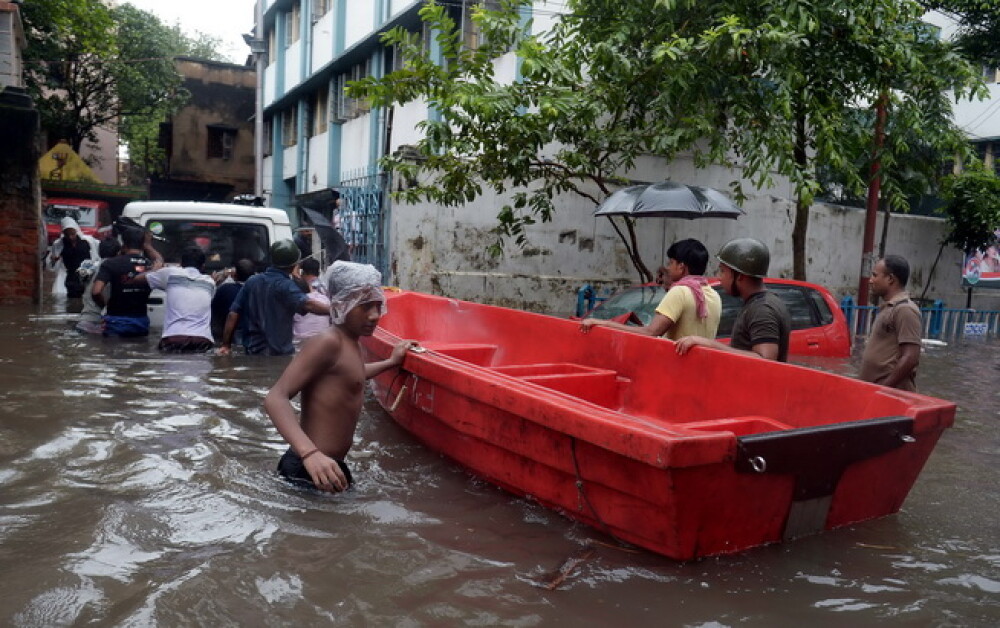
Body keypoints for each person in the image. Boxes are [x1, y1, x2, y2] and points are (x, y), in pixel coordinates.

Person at [264, 261, 416, 492]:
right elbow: (276, 397)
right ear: (342, 304)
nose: (375, 315)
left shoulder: (352, 342)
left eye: (378, 305)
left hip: (329, 466)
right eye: (365, 306)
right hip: (310, 468)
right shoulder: (328, 342)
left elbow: (351, 376)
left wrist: (391, 363)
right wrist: (310, 453)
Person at [580, 238, 721, 340]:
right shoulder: (714, 295)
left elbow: (651, 332)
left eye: (671, 262)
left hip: (675, 370)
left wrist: (604, 323)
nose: (668, 267)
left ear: (681, 266)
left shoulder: (681, 291)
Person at [676, 237, 791, 361]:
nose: (719, 278)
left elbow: (765, 360)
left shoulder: (762, 310)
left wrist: (709, 344)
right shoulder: (761, 303)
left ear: (740, 276)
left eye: (723, 271)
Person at [219, 239, 330, 356]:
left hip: (252, 352)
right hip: (279, 354)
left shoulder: (251, 282)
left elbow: (233, 314)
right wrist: (334, 310)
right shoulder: (287, 286)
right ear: (294, 264)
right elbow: (308, 304)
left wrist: (226, 345)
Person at [859, 255, 922, 391]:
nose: (870, 280)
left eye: (875, 275)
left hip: (890, 396)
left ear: (890, 279)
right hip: (875, 393)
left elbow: (910, 357)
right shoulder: (889, 307)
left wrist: (884, 388)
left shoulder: (905, 309)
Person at [137, 246, 217, 352]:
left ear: (181, 264)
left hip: (173, 338)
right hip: (202, 340)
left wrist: (155, 270)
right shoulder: (210, 283)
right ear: (203, 266)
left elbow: (137, 279)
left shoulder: (170, 273)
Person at [92, 226, 164, 337]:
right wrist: (148, 246)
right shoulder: (150, 266)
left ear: (123, 242)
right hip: (140, 323)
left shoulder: (110, 264)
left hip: (114, 322)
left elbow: (96, 292)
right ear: (142, 244)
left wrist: (105, 307)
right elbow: (159, 261)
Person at [76, 238, 121, 334]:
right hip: (99, 323)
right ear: (118, 253)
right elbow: (96, 293)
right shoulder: (115, 270)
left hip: (84, 321)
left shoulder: (89, 267)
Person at [49, 217, 99, 298]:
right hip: (69, 276)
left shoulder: (88, 241)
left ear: (76, 231)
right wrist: (54, 260)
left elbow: (98, 255)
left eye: (72, 234)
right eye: (67, 235)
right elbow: (52, 263)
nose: (70, 237)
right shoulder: (59, 244)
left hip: (86, 272)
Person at [211, 259, 255, 342]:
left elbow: (213, 311)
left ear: (235, 275)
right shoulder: (259, 291)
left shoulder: (225, 289)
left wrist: (214, 283)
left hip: (229, 337)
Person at [293, 258, 332, 340]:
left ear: (303, 272)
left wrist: (298, 265)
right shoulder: (323, 286)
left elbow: (295, 275)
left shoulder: (306, 291)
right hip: (323, 337)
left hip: (303, 339)